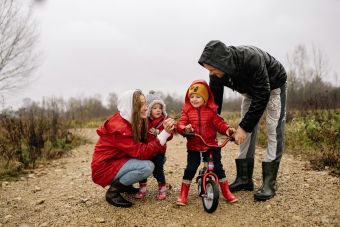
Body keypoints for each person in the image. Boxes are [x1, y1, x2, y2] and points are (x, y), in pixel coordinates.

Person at [198, 40, 287, 201]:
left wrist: (244, 127)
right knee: (243, 132)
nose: (210, 73)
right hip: (250, 92)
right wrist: (212, 126)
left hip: (273, 86)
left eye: (212, 69)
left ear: (223, 63)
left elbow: (262, 94)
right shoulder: (216, 72)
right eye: (208, 70)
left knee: (272, 128)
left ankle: (269, 183)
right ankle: (244, 179)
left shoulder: (251, 58)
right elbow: (215, 103)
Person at [91, 89, 175, 208]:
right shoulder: (120, 128)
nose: (146, 108)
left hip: (118, 161)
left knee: (159, 159)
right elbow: (142, 152)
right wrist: (164, 134)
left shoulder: (132, 120)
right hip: (105, 168)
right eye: (141, 105)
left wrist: (164, 131)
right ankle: (113, 192)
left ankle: (126, 185)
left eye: (145, 103)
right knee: (148, 166)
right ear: (130, 107)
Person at [176, 80, 238, 206]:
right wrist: (184, 129)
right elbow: (180, 124)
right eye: (192, 97)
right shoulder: (187, 112)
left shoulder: (211, 112)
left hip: (211, 145)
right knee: (191, 168)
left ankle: (226, 192)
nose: (194, 99)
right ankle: (183, 194)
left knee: (218, 168)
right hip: (194, 146)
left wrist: (228, 130)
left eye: (198, 96)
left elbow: (220, 124)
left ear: (205, 98)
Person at [135, 90, 173, 200]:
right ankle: (142, 188)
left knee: (158, 170)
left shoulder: (164, 121)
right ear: (149, 109)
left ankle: (162, 188)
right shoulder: (145, 121)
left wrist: (160, 132)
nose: (158, 110)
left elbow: (169, 136)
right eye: (155, 108)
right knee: (143, 169)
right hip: (146, 149)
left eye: (160, 108)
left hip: (159, 150)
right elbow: (141, 134)